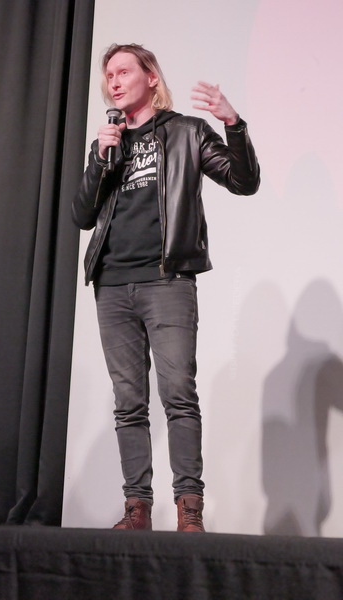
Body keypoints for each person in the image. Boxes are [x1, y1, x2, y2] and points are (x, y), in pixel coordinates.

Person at [73, 43, 260, 532]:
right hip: (112, 284)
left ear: (151, 77)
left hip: (167, 281)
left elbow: (243, 181)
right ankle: (136, 508)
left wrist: (233, 124)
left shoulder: (187, 132)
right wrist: (99, 157)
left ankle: (188, 508)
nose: (114, 81)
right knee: (128, 403)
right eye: (109, 75)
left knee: (178, 394)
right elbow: (82, 215)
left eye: (123, 71)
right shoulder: (108, 142)